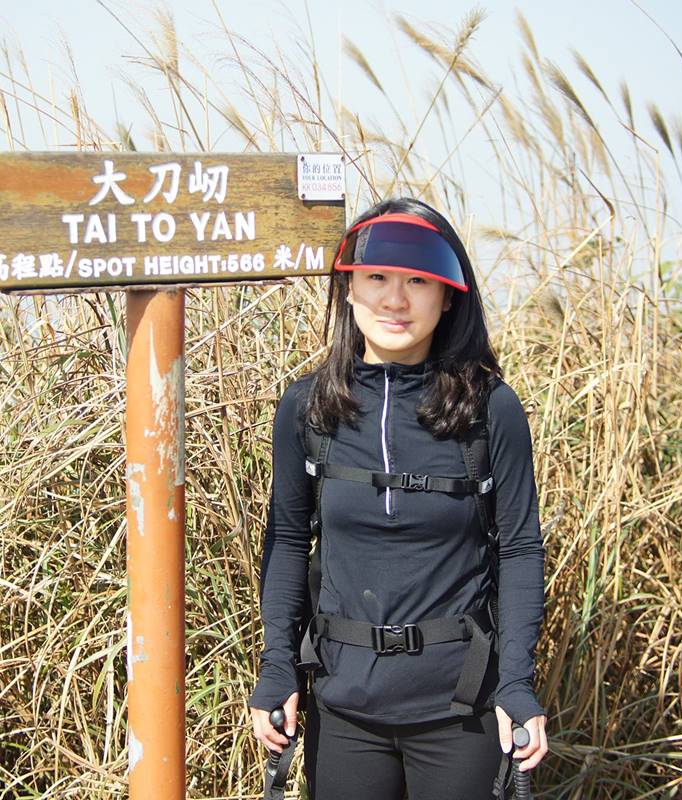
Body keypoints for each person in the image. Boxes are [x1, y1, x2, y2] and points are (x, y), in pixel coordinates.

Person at [247, 197, 549, 799]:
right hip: (343, 706)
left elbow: (519, 547)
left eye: (417, 281)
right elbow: (287, 540)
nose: (395, 299)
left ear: (449, 295)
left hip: (460, 708)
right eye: (377, 277)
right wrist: (278, 665)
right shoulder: (308, 407)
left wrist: (516, 681)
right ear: (349, 289)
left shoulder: (490, 409)